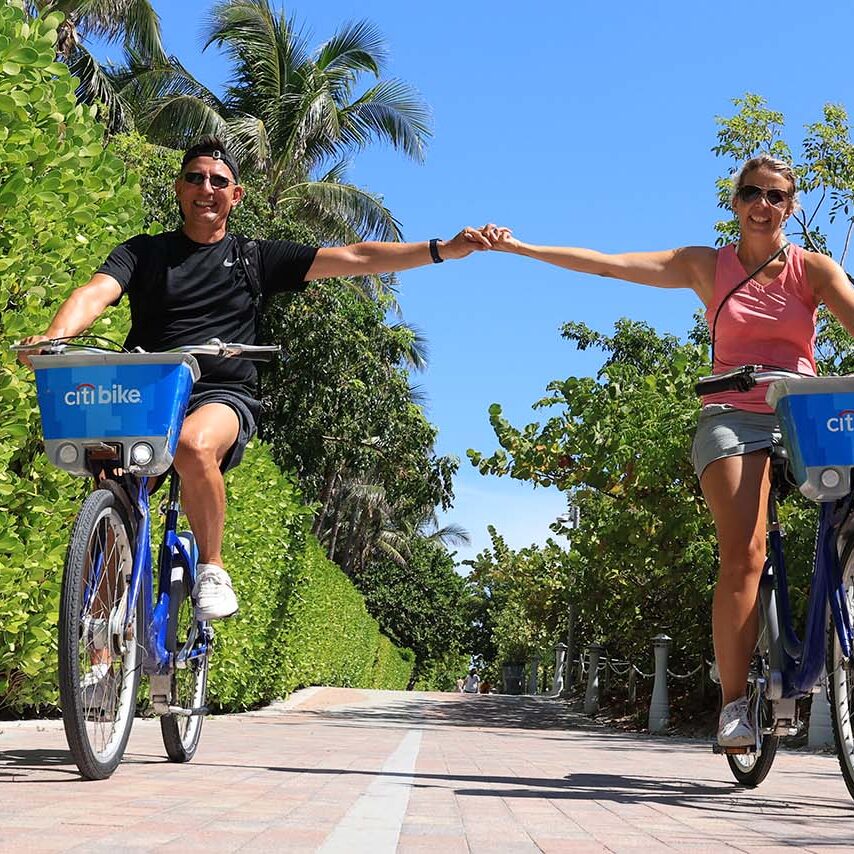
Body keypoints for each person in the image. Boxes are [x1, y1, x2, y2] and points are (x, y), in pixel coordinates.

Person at [21, 135, 494, 630]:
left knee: (192, 444)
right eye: (196, 178)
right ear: (180, 189)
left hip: (221, 393)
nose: (207, 188)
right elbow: (94, 292)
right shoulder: (143, 253)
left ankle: (212, 569)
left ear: (236, 195)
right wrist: (54, 338)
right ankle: (97, 651)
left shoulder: (255, 258)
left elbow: (356, 257)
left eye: (218, 181)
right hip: (150, 391)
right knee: (113, 498)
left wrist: (444, 249)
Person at [484, 154, 854, 746]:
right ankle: (736, 706)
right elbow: (611, 266)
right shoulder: (706, 266)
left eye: (777, 196)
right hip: (733, 415)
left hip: (801, 412)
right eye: (753, 193)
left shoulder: (813, 271)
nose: (764, 204)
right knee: (745, 553)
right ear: (735, 202)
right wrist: (525, 248)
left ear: (792, 205)